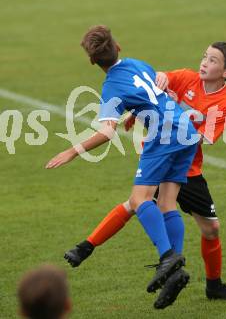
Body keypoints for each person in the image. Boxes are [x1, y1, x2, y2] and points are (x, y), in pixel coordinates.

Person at [64, 42, 226, 302]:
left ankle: (211, 284)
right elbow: (154, 82)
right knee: (137, 203)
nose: (204, 62)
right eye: (204, 56)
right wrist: (143, 108)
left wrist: (172, 108)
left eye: (213, 60)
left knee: (210, 229)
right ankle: (87, 247)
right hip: (162, 156)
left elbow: (200, 137)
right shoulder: (185, 77)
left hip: (189, 168)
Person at [46, 25, 199, 309]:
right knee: (167, 202)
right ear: (119, 46)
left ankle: (168, 257)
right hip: (186, 130)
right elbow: (152, 92)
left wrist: (72, 151)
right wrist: (135, 114)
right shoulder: (137, 63)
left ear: (93, 61)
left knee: (140, 200)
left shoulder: (111, 87)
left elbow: (107, 133)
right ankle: (173, 272)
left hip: (163, 135)